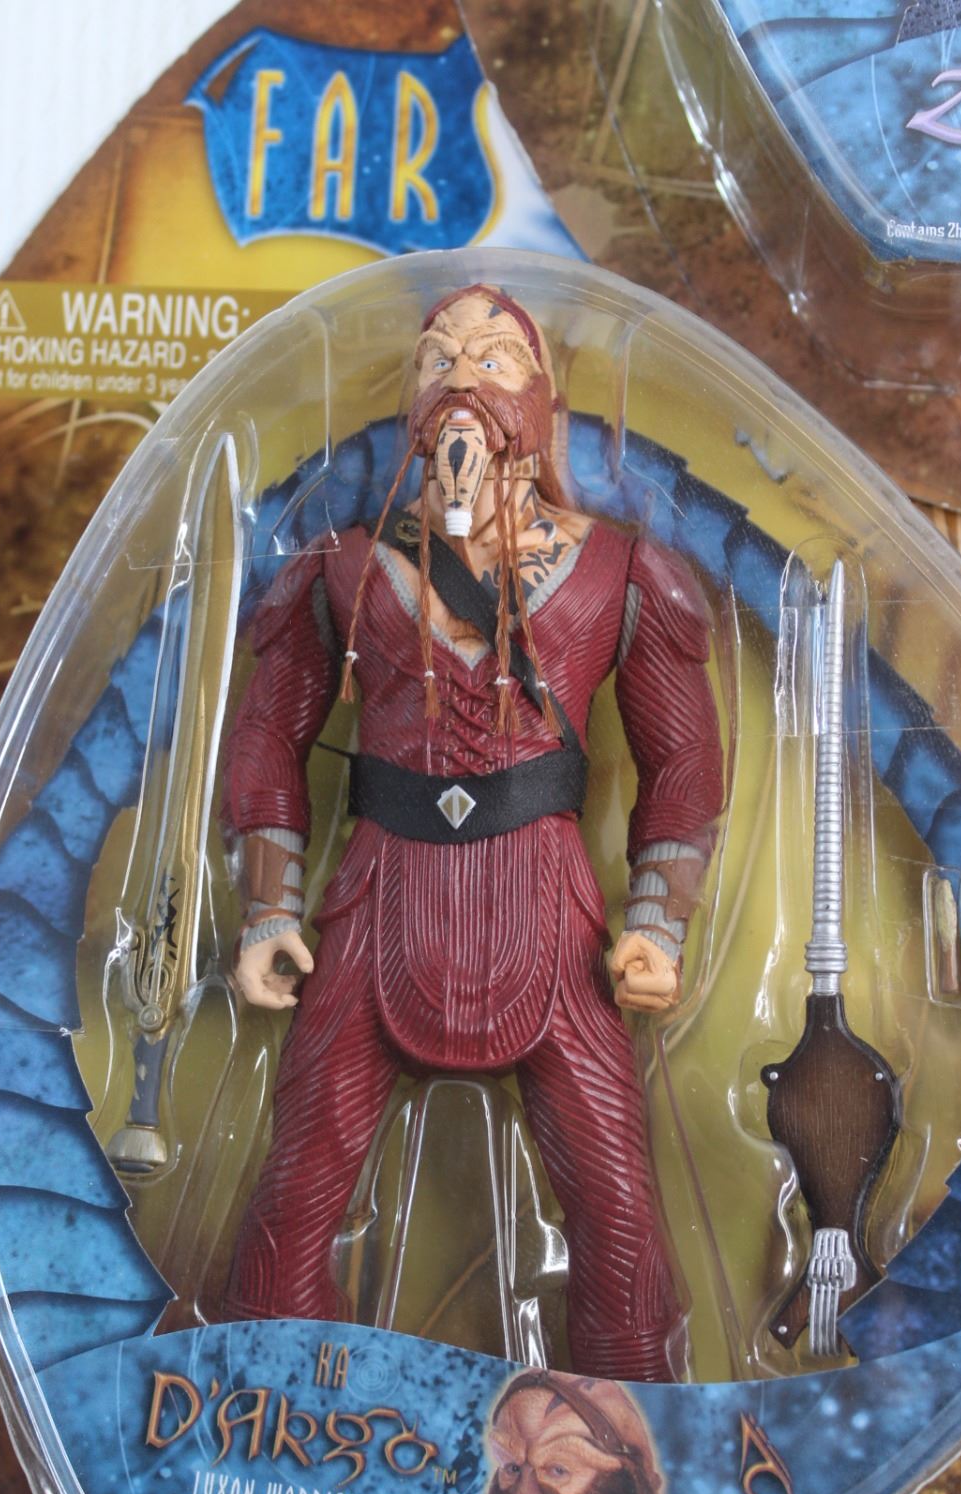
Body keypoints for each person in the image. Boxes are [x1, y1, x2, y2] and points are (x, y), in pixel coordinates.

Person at [220, 284, 724, 1381]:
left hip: (554, 920)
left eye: (493, 357)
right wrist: (268, 906)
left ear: (543, 401)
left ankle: (638, 1423)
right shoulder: (346, 567)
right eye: (437, 358)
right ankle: (264, 1410)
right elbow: (265, 738)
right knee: (297, 1194)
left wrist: (658, 921)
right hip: (373, 912)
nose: (460, 378)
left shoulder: (619, 570)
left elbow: (685, 763)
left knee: (617, 1212)